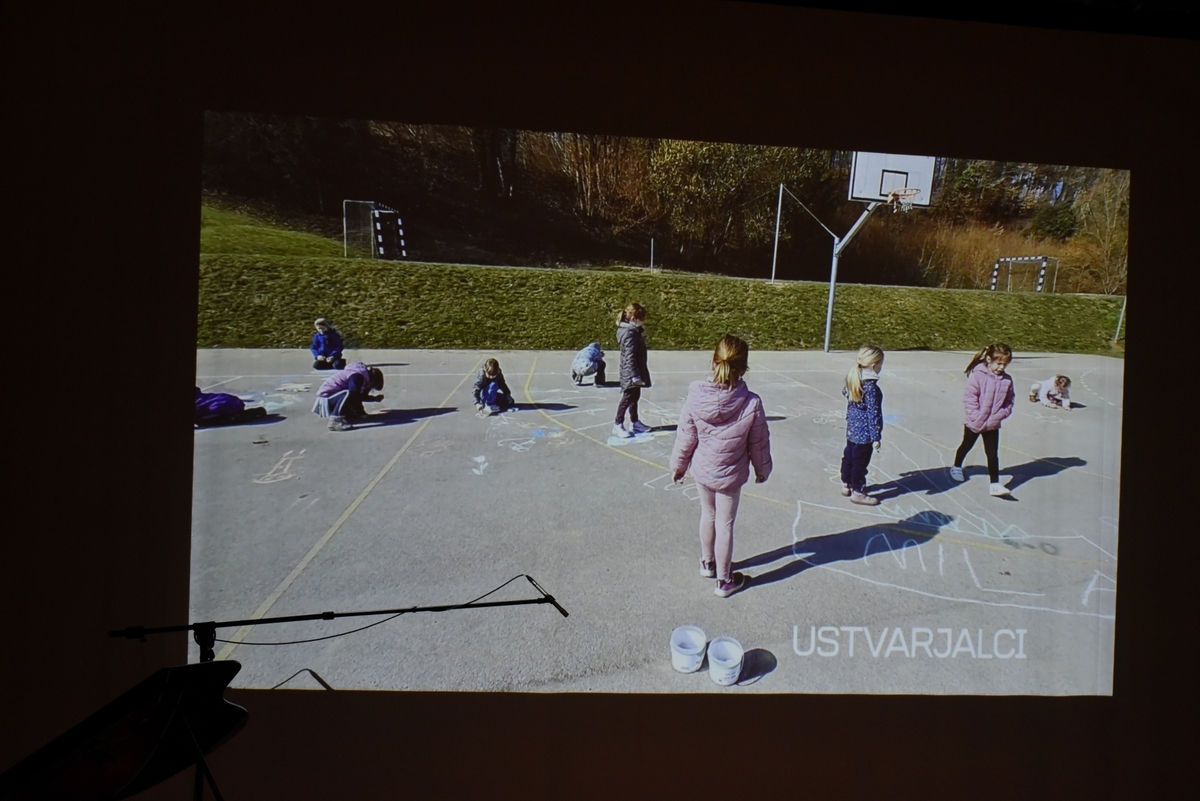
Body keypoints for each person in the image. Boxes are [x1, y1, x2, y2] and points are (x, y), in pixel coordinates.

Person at [670, 335, 772, 598]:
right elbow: (758, 442)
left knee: (708, 514)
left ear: (713, 361)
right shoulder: (751, 402)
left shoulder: (696, 397)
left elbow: (686, 436)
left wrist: (679, 466)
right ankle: (725, 580)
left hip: (704, 470)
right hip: (730, 475)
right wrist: (762, 469)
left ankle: (708, 563)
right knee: (725, 524)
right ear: (744, 369)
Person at [950, 344, 1015, 496]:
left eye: (1005, 364)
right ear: (989, 359)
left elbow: (1009, 401)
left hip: (992, 423)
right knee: (966, 445)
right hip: (975, 422)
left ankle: (995, 484)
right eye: (999, 363)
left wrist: (1001, 414)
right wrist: (975, 416)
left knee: (992, 454)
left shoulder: (1007, 380)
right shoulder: (977, 375)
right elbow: (970, 398)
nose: (1001, 367)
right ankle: (956, 466)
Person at [841, 345, 885, 506]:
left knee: (849, 457)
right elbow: (873, 413)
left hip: (852, 428)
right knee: (860, 463)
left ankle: (846, 484)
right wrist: (876, 436)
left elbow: (845, 393)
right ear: (874, 365)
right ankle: (857, 492)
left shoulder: (854, 377)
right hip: (865, 433)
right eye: (880, 365)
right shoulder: (871, 387)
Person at [612, 303, 651, 438]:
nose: (643, 321)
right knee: (627, 398)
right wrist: (634, 376)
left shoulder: (633, 331)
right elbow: (630, 357)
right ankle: (618, 424)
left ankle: (635, 422)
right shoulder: (630, 334)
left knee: (635, 397)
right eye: (642, 319)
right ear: (634, 318)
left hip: (635, 370)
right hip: (631, 372)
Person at [316, 362, 384, 431]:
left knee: (352, 394)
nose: (369, 388)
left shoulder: (359, 375)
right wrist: (362, 412)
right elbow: (354, 395)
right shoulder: (357, 376)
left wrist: (373, 400)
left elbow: (358, 396)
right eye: (372, 386)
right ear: (372, 380)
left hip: (332, 398)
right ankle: (335, 421)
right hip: (325, 400)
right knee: (349, 393)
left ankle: (350, 414)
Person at [195, 387, 267, 426]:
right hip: (229, 400)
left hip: (223, 404)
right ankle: (249, 413)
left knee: (203, 422)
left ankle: (236, 417)